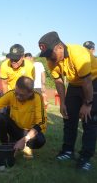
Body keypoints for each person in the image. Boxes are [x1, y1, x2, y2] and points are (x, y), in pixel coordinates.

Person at [38, 31, 97, 171]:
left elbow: (87, 82)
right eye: (46, 56)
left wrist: (87, 104)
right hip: (75, 84)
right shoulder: (51, 60)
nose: (49, 59)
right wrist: (63, 103)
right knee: (69, 117)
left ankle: (85, 158)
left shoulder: (78, 53)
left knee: (89, 121)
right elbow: (58, 82)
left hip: (93, 82)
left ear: (59, 47)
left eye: (50, 54)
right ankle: (68, 151)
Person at [0, 76, 47, 158]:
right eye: (16, 93)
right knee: (0, 117)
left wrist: (25, 139)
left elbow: (40, 123)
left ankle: (25, 145)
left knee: (40, 140)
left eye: (21, 95)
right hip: (15, 128)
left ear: (30, 93)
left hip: (29, 131)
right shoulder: (11, 94)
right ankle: (6, 145)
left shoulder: (37, 98)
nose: (17, 97)